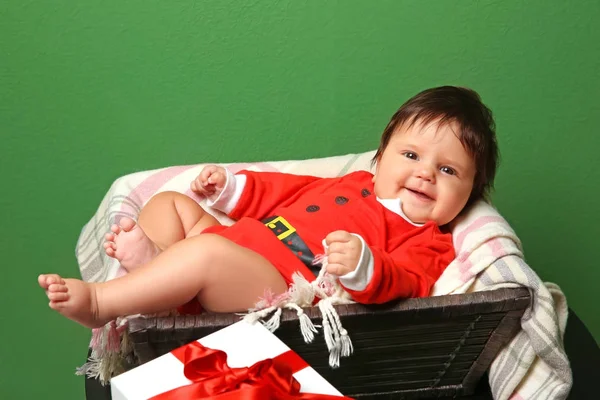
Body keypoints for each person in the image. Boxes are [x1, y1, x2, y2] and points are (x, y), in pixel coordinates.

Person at [38, 86, 498, 329]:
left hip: (278, 283)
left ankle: (102, 302)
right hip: (241, 239)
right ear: (381, 159)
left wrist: (365, 266)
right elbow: (285, 189)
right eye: (412, 155)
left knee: (204, 257)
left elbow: (407, 281)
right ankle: (159, 260)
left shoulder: (430, 239)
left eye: (449, 171)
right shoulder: (357, 182)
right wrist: (230, 189)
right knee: (171, 204)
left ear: (471, 194)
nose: (425, 174)